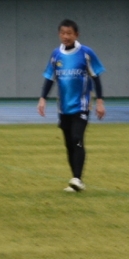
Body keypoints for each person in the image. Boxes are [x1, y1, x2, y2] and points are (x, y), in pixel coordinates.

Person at [37, 18, 106, 191]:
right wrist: (43, 98)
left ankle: (77, 178)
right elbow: (49, 78)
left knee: (77, 138)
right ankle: (75, 180)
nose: (66, 36)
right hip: (64, 107)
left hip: (81, 106)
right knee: (69, 143)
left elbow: (96, 78)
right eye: (62, 33)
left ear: (76, 35)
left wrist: (99, 101)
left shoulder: (86, 53)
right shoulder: (56, 55)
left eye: (69, 33)